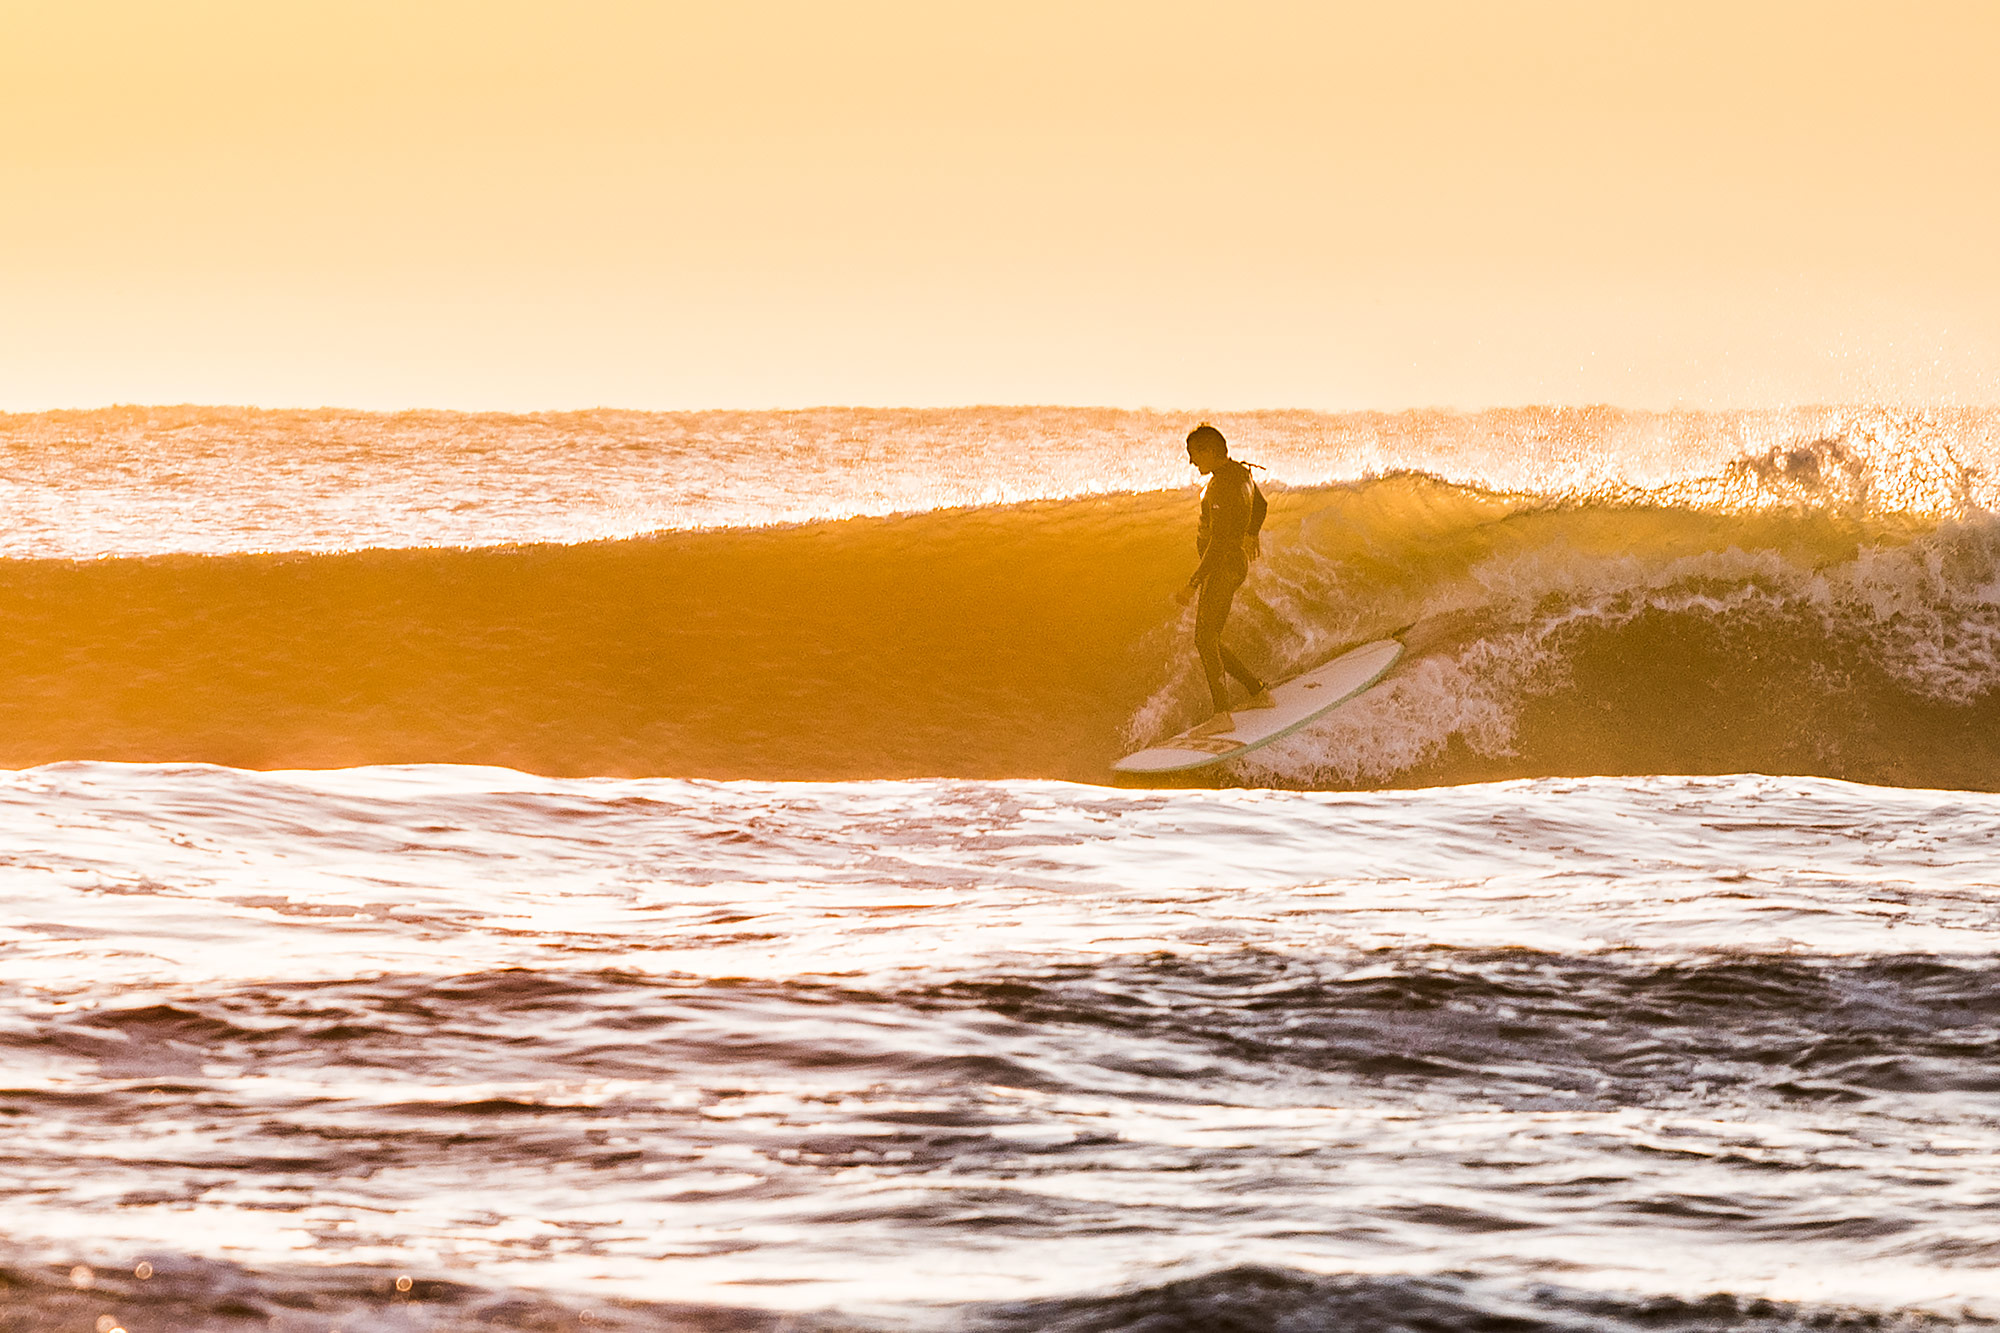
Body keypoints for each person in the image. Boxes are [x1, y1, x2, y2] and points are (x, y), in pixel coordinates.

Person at [1174, 424, 1274, 736]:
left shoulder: (1220, 488)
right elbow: (1261, 505)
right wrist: (1252, 532)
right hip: (1233, 565)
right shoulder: (1242, 474)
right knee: (1210, 638)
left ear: (1207, 451)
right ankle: (1257, 691)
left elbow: (1217, 544)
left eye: (1194, 456)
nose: (1192, 463)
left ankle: (1222, 715)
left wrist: (1192, 583)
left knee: (1204, 639)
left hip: (1222, 567)